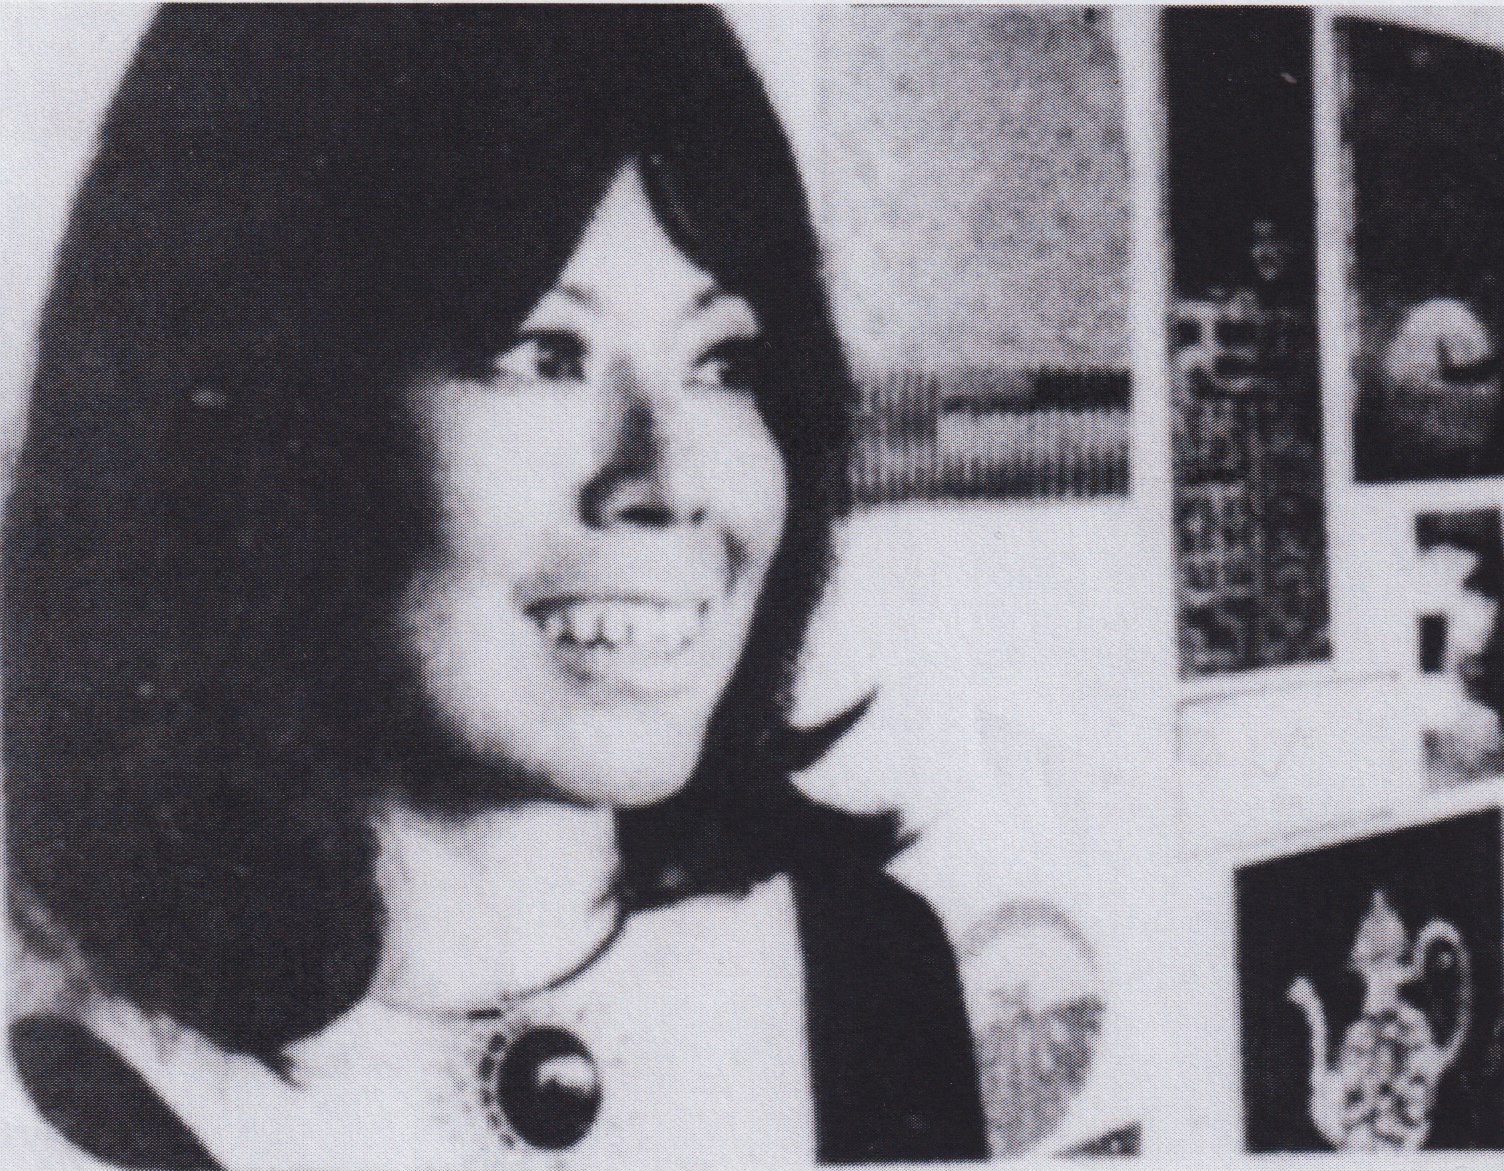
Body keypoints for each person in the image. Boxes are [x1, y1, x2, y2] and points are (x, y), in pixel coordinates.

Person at [3, 8, 986, 1167]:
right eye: (543, 355)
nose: (671, 482)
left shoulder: (871, 973)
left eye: (723, 362)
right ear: (263, 425)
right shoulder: (72, 1106)